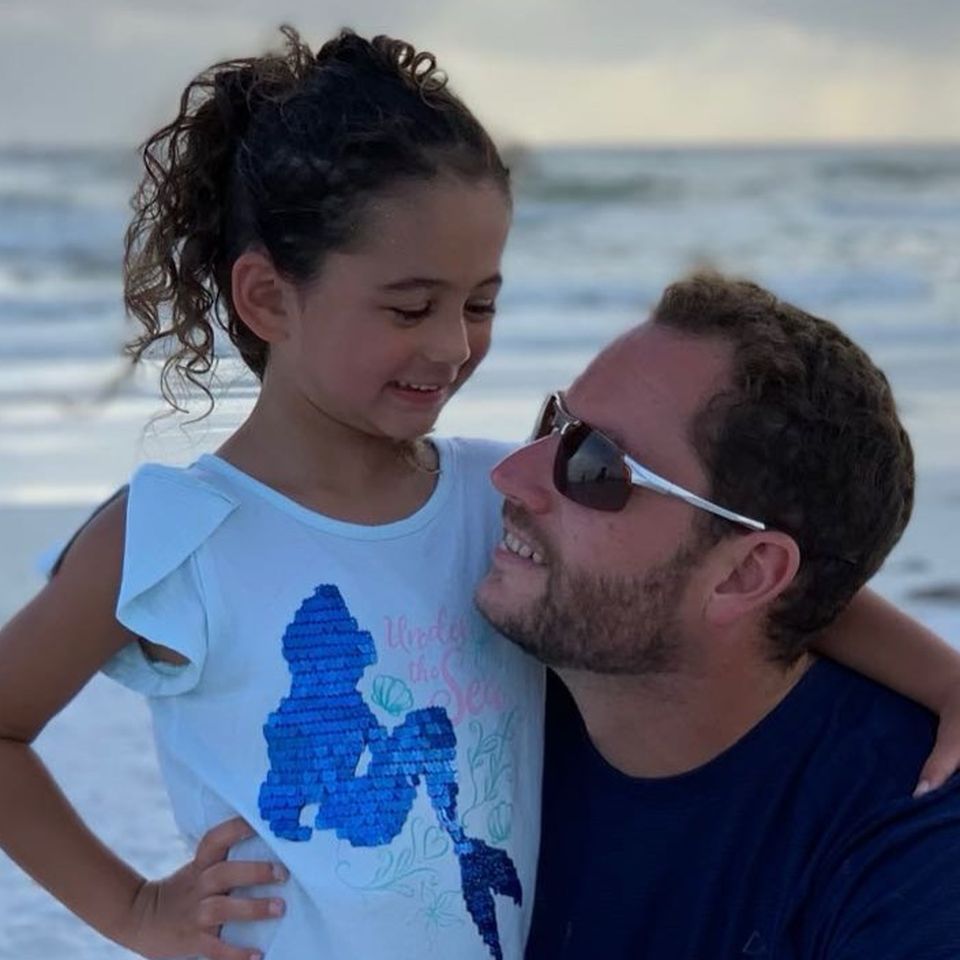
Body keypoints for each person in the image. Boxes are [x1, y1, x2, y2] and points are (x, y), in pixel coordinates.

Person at [0, 26, 957, 960]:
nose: (453, 345)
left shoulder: (486, 492)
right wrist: (135, 910)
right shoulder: (177, 534)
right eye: (411, 307)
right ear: (267, 299)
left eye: (481, 303)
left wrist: (945, 680)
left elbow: (746, 573)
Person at [474, 273, 960, 959]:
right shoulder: (463, 652)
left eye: (593, 465)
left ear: (744, 574)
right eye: (554, 424)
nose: (509, 476)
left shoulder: (909, 850)